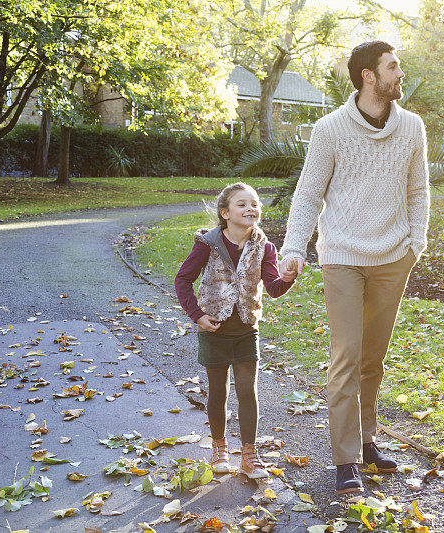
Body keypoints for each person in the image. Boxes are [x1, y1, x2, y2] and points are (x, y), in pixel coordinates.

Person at [278, 40, 430, 494]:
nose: (400, 73)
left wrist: (415, 243)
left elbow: (419, 191)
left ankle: (366, 441)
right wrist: (293, 248)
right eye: (393, 67)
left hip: (392, 258)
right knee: (345, 358)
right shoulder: (329, 129)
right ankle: (345, 460)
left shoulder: (412, 128)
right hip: (342, 257)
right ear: (369, 75)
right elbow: (308, 194)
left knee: (372, 359)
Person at [174, 182, 294, 479]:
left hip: (246, 328)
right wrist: (198, 315)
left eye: (254, 204)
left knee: (247, 391)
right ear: (225, 212)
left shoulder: (265, 247)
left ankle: (250, 456)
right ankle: (219, 448)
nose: (250, 208)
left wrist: (288, 277)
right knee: (218, 392)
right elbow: (182, 280)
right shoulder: (208, 243)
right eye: (242, 204)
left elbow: (274, 288)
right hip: (213, 328)